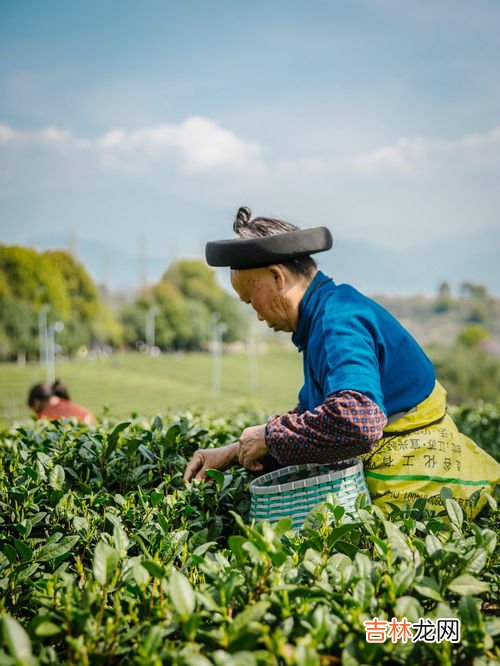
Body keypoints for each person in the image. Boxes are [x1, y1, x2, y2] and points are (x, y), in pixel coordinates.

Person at [184, 206, 499, 517]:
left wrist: (269, 436)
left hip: (421, 491)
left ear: (277, 277)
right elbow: (314, 420)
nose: (255, 313)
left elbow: (356, 421)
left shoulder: (339, 321)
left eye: (250, 299)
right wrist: (233, 452)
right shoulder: (324, 317)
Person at [27, 379, 96, 425]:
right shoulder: (80, 410)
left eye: (35, 410)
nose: (37, 415)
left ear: (37, 403)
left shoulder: (45, 418)